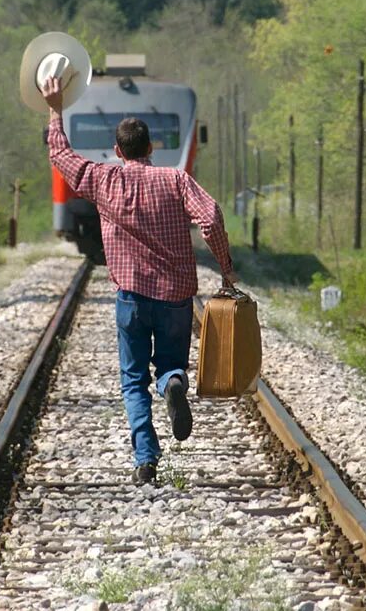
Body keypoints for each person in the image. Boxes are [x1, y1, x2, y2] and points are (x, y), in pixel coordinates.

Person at [41, 76, 238, 485]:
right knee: (169, 364)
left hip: (130, 297)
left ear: (118, 150)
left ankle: (146, 461)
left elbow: (60, 155)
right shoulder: (176, 180)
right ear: (151, 148)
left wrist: (55, 107)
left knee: (133, 381)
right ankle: (174, 383)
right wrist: (226, 270)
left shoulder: (103, 179)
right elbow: (212, 217)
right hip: (175, 297)